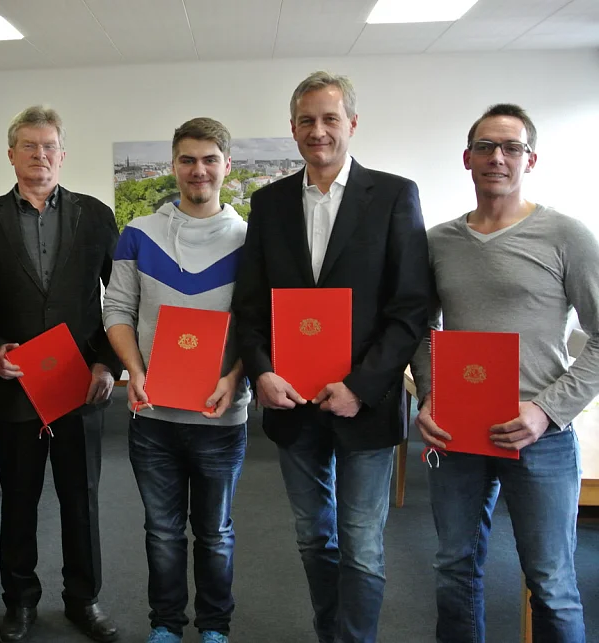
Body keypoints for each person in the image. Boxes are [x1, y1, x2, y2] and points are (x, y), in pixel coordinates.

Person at [231, 71, 431, 643]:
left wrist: (361, 386)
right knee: (313, 536)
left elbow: (410, 306)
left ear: (352, 124)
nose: (318, 131)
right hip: (291, 401)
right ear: (292, 129)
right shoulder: (267, 204)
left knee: (363, 542)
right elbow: (251, 306)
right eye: (306, 121)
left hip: (363, 404)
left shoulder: (394, 195)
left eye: (329, 119)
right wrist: (262, 370)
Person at [410, 104, 599, 643]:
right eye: (486, 147)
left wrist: (545, 410)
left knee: (552, 581)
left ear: (530, 159)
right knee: (454, 569)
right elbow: (424, 328)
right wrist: (429, 394)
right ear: (466, 158)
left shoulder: (567, 235)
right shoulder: (438, 242)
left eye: (510, 148)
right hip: (459, 433)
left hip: (542, 437)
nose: (497, 157)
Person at [0, 105, 121, 643]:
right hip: (15, 384)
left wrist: (108, 362)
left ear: (63, 153)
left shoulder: (95, 215)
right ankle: (20, 601)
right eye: (28, 146)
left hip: (78, 383)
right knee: (18, 499)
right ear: (11, 155)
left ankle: (84, 600)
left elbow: (119, 300)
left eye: (49, 145)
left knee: (82, 497)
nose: (40, 155)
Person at [103, 117, 250, 643]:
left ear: (226, 167)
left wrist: (236, 376)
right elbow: (117, 310)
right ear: (173, 165)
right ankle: (166, 625)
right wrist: (135, 373)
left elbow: (258, 325)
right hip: (154, 416)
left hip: (220, 416)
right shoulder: (138, 234)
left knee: (215, 534)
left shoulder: (249, 240)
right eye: (187, 159)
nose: (198, 170)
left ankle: (214, 627)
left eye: (209, 159)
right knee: (162, 533)